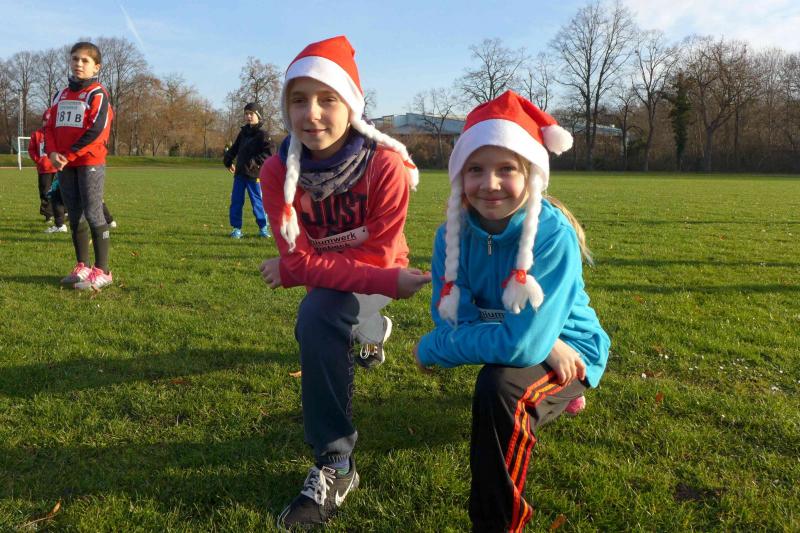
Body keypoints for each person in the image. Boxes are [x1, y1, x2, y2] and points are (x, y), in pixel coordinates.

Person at [414, 91, 610, 532]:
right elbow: (452, 319)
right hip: (545, 341)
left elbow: (517, 346)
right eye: (476, 169)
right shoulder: (450, 236)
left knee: (500, 387)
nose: (490, 183)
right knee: (514, 360)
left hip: (576, 350)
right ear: (459, 175)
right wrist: (542, 342)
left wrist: (433, 348)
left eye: (507, 169)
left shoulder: (551, 235)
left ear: (532, 175)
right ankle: (553, 392)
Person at [257, 36, 431, 529]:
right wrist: (300, 266)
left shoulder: (386, 164)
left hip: (384, 271)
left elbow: (375, 260)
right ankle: (369, 333)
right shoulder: (276, 171)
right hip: (352, 275)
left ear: (352, 104)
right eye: (298, 99)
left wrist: (300, 268)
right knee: (326, 315)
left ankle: (335, 461)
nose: (311, 114)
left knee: (319, 316)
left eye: (327, 99)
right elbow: (298, 259)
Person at [45, 41, 114, 290]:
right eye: (75, 59)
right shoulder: (60, 94)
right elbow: (49, 126)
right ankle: (83, 266)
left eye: (85, 60)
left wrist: (69, 154)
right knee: (74, 215)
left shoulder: (98, 94)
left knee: (94, 213)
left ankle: (103, 271)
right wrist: (52, 152)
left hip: (88, 162)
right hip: (65, 162)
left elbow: (96, 130)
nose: (79, 64)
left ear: (96, 67)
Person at [223, 102, 274, 238]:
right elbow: (234, 149)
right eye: (246, 114)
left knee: (257, 202)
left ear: (258, 116)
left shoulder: (263, 135)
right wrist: (228, 161)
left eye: (251, 114)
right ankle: (236, 229)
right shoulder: (243, 133)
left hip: (254, 175)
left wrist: (254, 162)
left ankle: (263, 228)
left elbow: (269, 153)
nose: (248, 116)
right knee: (236, 201)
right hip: (240, 174)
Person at [28, 110, 63, 230]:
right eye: (45, 120)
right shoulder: (36, 134)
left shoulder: (57, 133)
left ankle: (63, 212)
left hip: (57, 167)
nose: (46, 123)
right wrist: (38, 160)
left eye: (49, 120)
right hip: (44, 169)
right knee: (45, 192)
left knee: (60, 191)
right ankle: (48, 215)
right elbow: (31, 150)